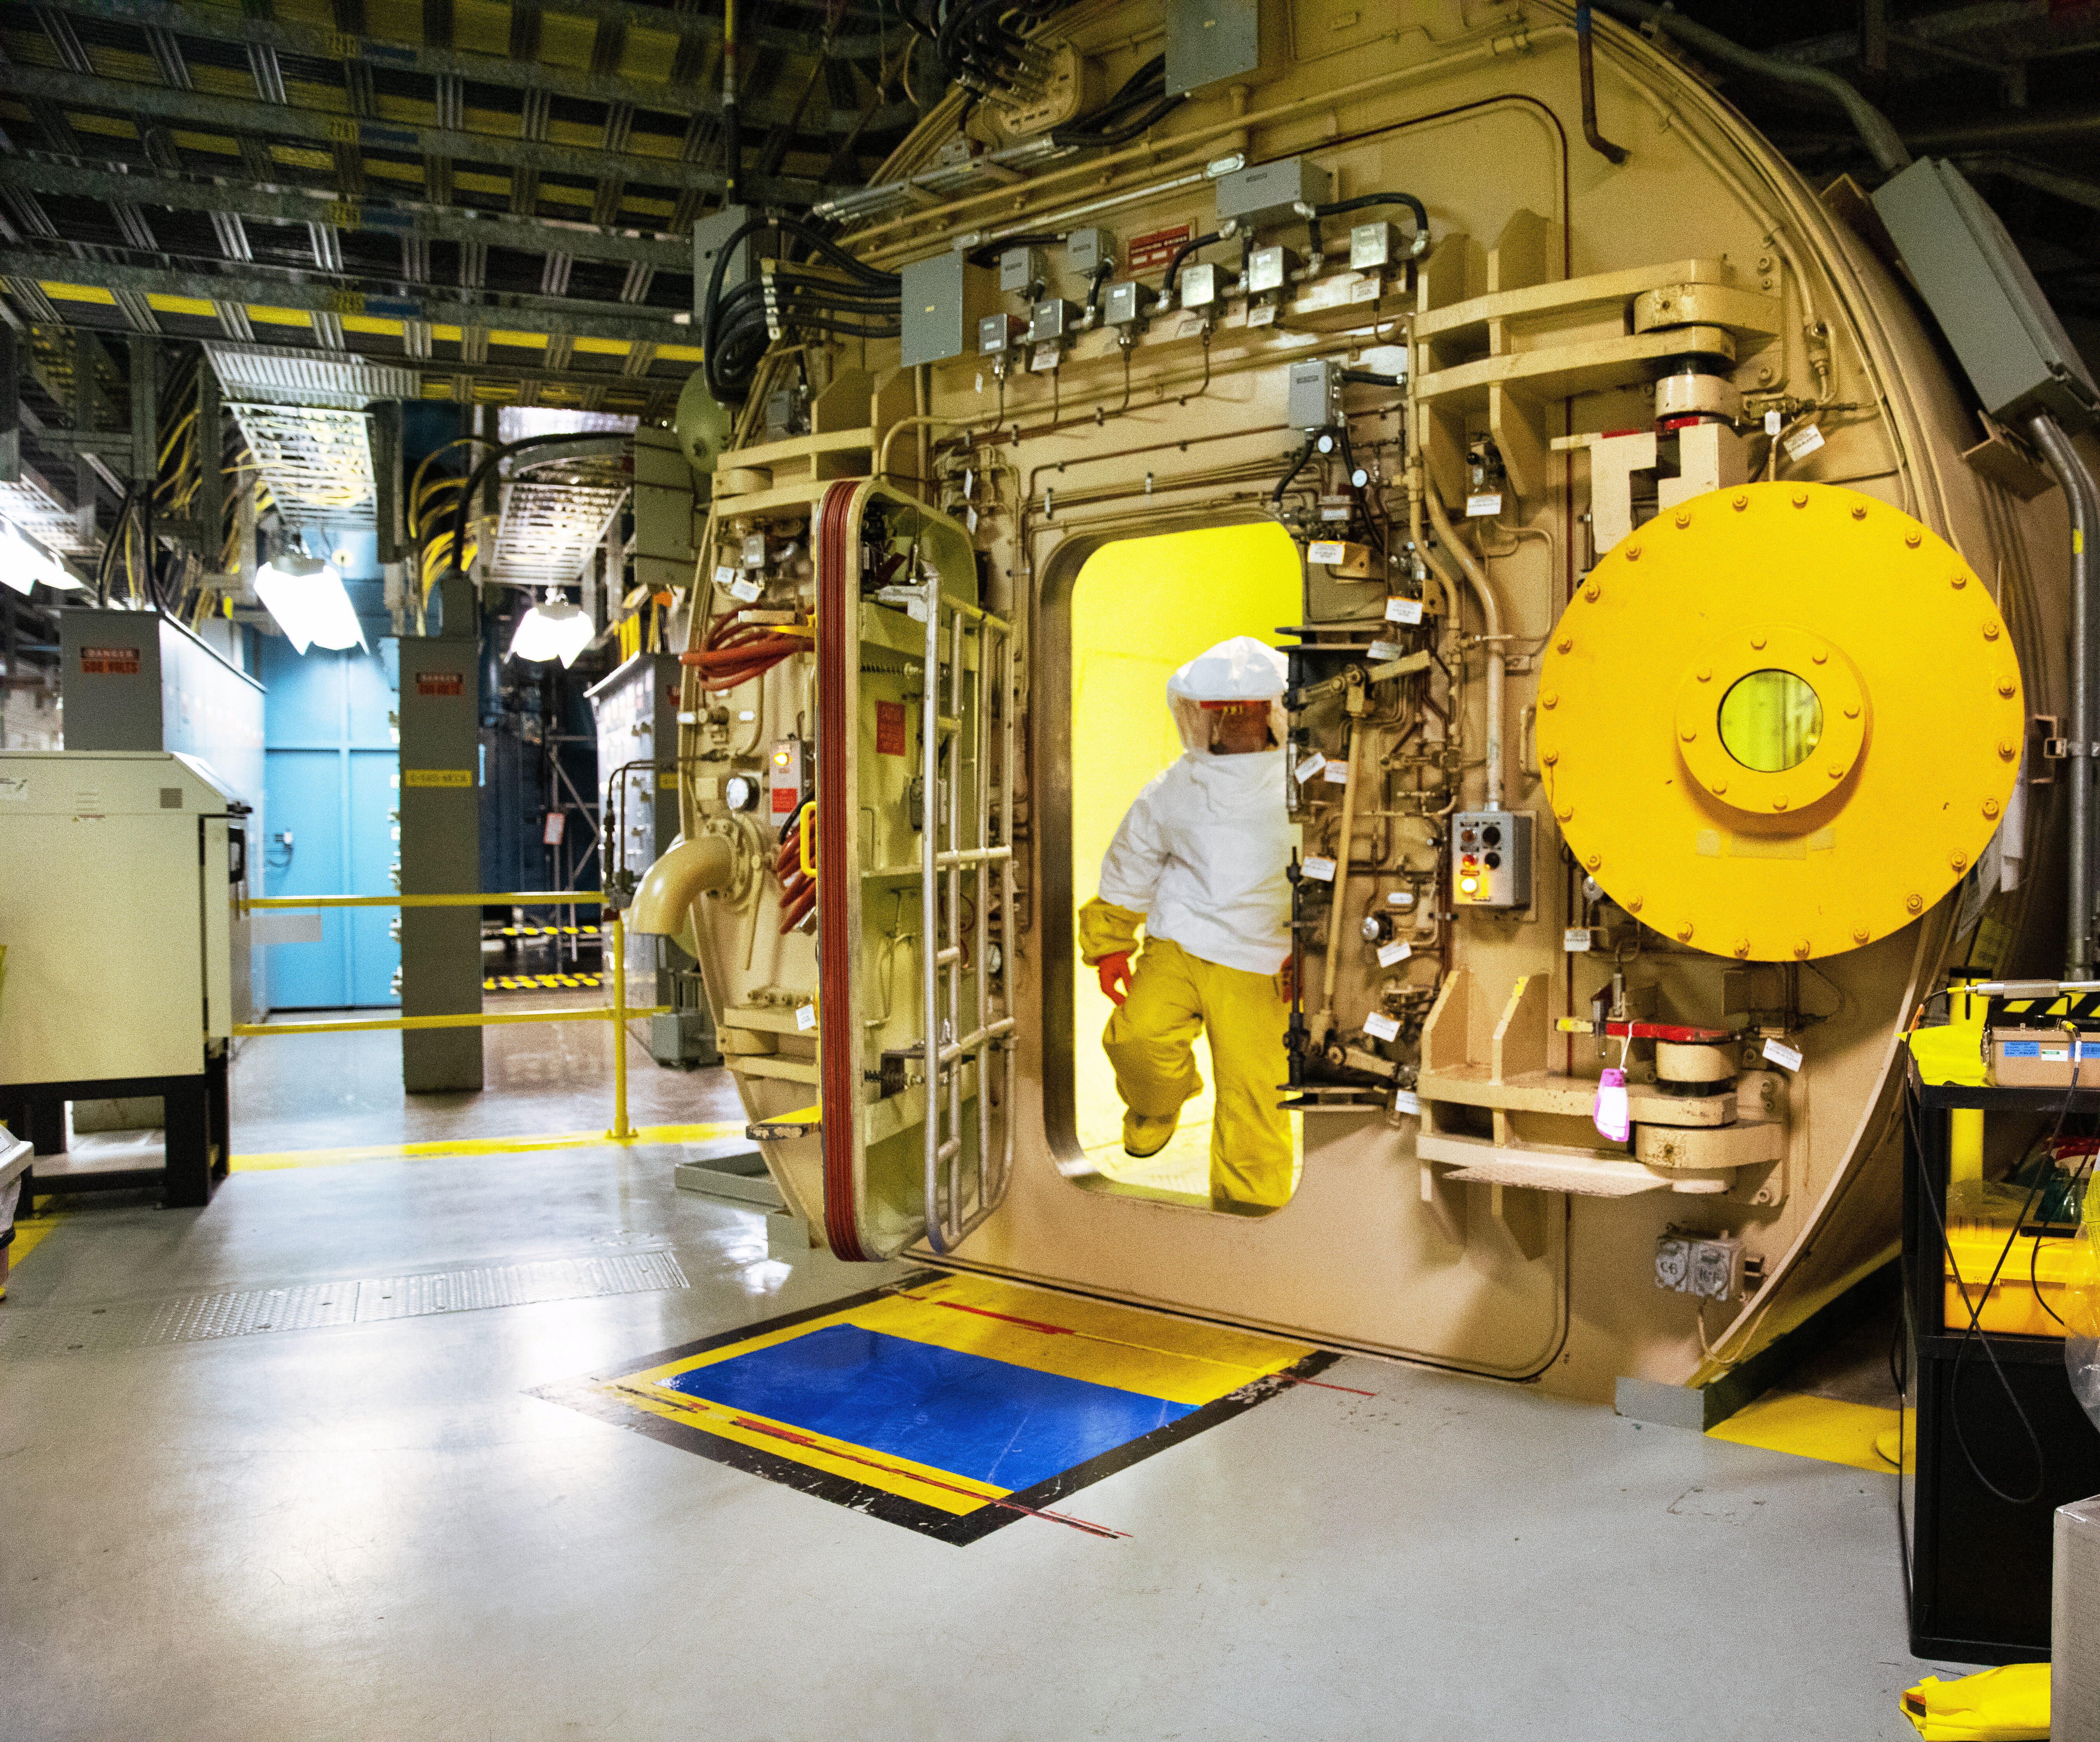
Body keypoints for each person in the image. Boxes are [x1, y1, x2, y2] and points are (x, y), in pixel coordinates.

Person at [1076, 635, 1296, 1208]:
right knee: (1138, 1041)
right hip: (1179, 943)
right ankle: (1157, 1103)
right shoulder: (1176, 785)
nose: (1237, 723)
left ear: (1275, 712)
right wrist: (1110, 946)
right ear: (1202, 718)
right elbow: (1134, 858)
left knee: (1255, 1098)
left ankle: (1251, 1215)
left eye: (1250, 710)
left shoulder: (1308, 784)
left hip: (1262, 957)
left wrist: (1318, 951)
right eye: (1223, 712)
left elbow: (1336, 870)